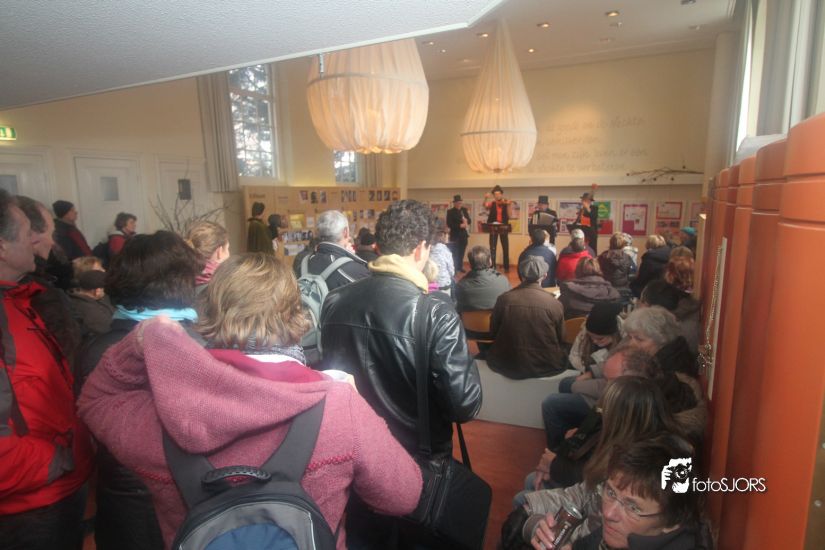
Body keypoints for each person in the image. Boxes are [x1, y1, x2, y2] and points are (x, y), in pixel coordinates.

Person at [79, 253, 423, 549]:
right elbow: (402, 496)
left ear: (209, 314)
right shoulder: (337, 406)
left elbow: (95, 400)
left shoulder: (161, 417)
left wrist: (141, 338)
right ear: (297, 316)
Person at [319, 200, 482, 547]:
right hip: (418, 465)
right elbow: (465, 406)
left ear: (379, 246)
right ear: (421, 248)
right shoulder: (436, 313)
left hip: (358, 458)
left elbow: (332, 379)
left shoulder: (335, 301)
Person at [76, 231, 202, 550]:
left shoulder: (95, 348)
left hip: (122, 505)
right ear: (180, 283)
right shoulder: (197, 346)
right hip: (178, 501)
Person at [0, 190, 94, 550]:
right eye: (28, 233)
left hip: (54, 489)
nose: (39, 241)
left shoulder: (21, 299)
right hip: (29, 506)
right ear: (3, 247)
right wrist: (62, 460)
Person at [510, 434, 709, 550]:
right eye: (611, 493)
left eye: (633, 507)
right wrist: (540, 530)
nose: (608, 513)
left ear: (672, 522)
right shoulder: (619, 535)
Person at [487, 256, 566, 379]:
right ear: (545, 276)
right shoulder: (554, 304)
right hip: (546, 364)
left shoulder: (504, 299)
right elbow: (561, 338)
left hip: (507, 362)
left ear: (521, 276)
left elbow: (493, 332)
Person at [304, 210, 370, 291]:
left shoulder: (302, 263)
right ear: (345, 232)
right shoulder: (356, 271)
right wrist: (350, 257)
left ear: (317, 233)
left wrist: (346, 256)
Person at [455, 245, 511, 312]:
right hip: (496, 318)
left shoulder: (460, 286)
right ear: (490, 262)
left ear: (470, 264)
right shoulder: (503, 281)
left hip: (469, 319)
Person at [185, 220, 230, 292]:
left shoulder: (178, 281)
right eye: (227, 249)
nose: (229, 254)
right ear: (219, 252)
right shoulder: (226, 289)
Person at [69, 269, 115, 338]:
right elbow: (109, 330)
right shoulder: (91, 313)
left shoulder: (75, 299)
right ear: (97, 291)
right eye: (105, 289)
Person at [598, 232, 635, 301]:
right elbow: (632, 273)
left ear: (610, 242)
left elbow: (598, 272)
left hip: (606, 290)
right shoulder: (627, 257)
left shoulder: (602, 257)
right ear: (623, 244)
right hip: (623, 290)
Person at [484, 184, 512, 271]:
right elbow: (485, 205)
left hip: (503, 226)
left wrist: (508, 205)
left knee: (505, 246)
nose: (497, 196)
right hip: (493, 227)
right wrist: (486, 198)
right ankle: (493, 266)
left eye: (498, 194)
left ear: (501, 194)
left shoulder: (505, 202)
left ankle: (506, 267)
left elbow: (510, 215)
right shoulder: (492, 203)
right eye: (495, 194)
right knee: (492, 247)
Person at [429, 221, 455, 295]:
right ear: (442, 235)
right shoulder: (446, 250)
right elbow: (451, 272)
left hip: (430, 285)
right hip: (443, 285)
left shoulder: (428, 248)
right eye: (447, 234)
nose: (448, 236)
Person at [446, 194, 471, 272]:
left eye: (460, 202)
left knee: (462, 252)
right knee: (455, 252)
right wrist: (460, 225)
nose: (459, 204)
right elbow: (449, 224)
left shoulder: (464, 210)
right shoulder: (450, 212)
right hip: (455, 235)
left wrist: (466, 221)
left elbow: (469, 221)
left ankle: (460, 267)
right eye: (457, 202)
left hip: (464, 235)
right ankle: (454, 268)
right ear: (454, 203)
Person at [574, 184, 600, 254]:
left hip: (591, 235)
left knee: (591, 251)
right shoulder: (582, 210)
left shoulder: (594, 208)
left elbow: (593, 216)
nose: (582, 201)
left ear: (589, 201)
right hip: (582, 234)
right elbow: (577, 221)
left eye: (584, 200)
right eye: (582, 200)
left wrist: (587, 208)